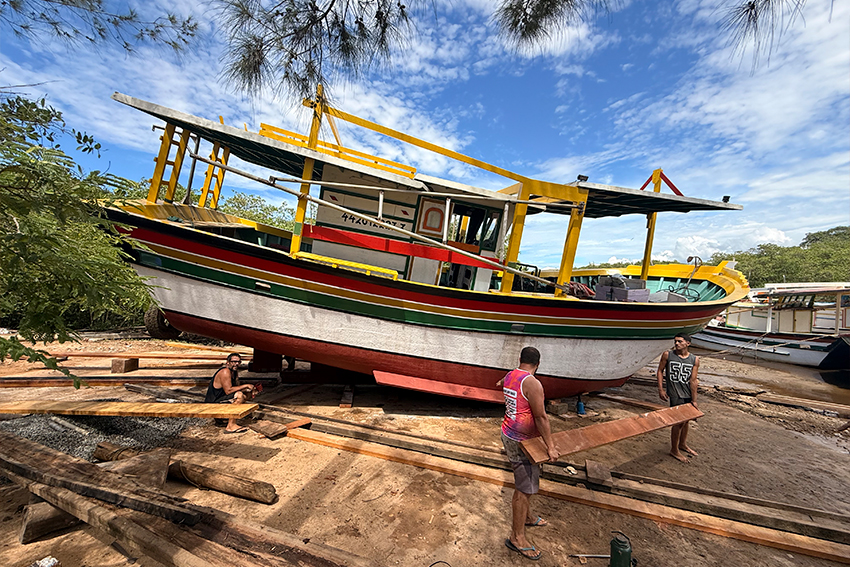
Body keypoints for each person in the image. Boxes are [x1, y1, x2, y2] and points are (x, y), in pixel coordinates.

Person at [498, 346, 560, 561]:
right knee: (523, 489)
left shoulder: (510, 375)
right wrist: (550, 446)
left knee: (529, 480)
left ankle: (527, 517)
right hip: (521, 442)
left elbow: (503, 384)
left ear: (520, 359)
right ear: (538, 364)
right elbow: (541, 417)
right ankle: (517, 537)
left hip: (509, 433)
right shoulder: (532, 383)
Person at [657, 333, 700, 463]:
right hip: (675, 394)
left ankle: (682, 444)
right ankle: (674, 450)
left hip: (687, 393)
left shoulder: (694, 359)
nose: (676, 344)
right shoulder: (668, 355)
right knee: (678, 423)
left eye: (680, 341)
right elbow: (660, 371)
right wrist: (661, 389)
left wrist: (694, 400)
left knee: (686, 421)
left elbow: (693, 381)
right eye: (675, 341)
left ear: (688, 343)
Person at [205, 353, 258, 434]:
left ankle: (223, 419)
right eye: (234, 361)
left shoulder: (234, 372)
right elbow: (228, 391)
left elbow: (235, 388)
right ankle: (231, 425)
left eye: (238, 362)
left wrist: (250, 390)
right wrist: (245, 385)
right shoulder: (225, 372)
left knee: (246, 395)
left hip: (221, 400)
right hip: (212, 404)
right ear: (228, 362)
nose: (236, 364)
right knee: (239, 395)